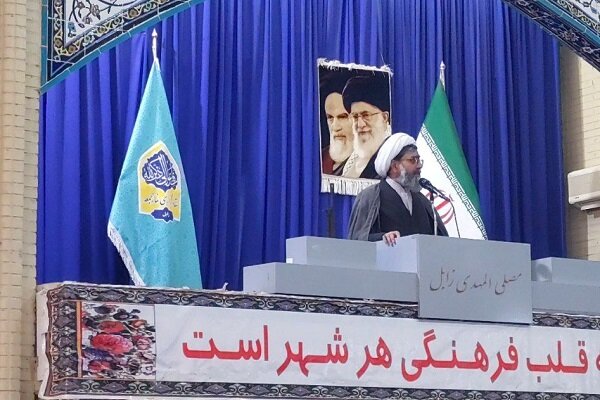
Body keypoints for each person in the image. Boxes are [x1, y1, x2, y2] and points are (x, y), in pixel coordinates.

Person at [347, 133, 448, 245]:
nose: (419, 165)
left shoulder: (422, 201)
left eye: (419, 160)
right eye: (413, 160)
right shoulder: (370, 196)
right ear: (395, 166)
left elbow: (441, 241)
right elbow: (357, 241)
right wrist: (382, 237)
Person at [341, 75, 391, 179]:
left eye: (366, 115)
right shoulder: (352, 161)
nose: (360, 124)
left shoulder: (393, 156)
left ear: (384, 117)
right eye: (355, 117)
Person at [320, 70, 354, 175]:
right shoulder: (319, 159)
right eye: (330, 117)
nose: (335, 127)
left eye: (343, 117)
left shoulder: (372, 161)